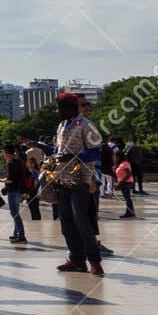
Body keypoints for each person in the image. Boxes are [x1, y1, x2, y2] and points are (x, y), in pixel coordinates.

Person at [52, 93, 105, 275]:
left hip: (80, 179)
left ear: (72, 108)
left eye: (61, 108)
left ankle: (94, 261)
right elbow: (59, 150)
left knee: (81, 220)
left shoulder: (86, 125)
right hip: (62, 179)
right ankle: (76, 259)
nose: (58, 112)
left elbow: (96, 152)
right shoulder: (61, 126)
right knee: (66, 222)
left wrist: (73, 157)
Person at [1, 145, 31, 243]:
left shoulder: (10, 163)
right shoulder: (19, 161)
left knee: (14, 213)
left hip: (13, 191)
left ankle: (21, 235)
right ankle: (16, 234)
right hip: (19, 190)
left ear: (6, 153)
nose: (3, 155)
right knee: (16, 212)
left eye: (3, 153)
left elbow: (10, 180)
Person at [115, 150, 136, 218]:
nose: (115, 158)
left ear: (119, 157)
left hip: (126, 182)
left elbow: (128, 174)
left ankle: (130, 213)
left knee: (127, 198)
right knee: (127, 198)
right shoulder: (122, 163)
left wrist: (120, 183)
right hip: (124, 182)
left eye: (116, 156)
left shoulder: (125, 164)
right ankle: (130, 212)